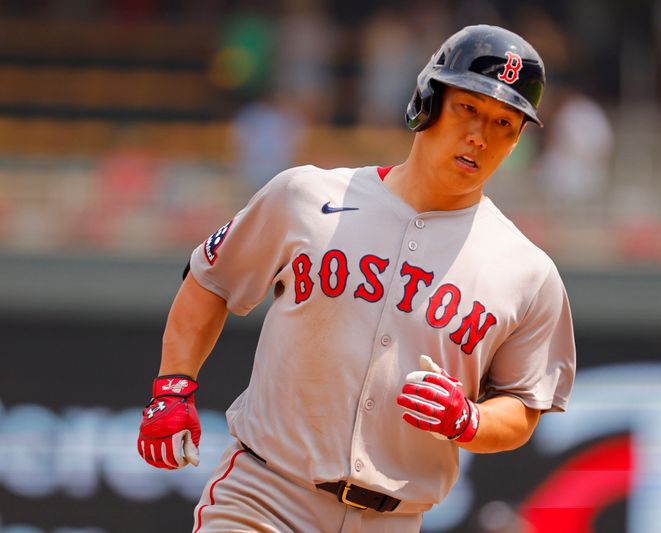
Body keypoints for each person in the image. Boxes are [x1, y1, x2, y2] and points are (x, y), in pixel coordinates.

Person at [137, 24, 576, 533]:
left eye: (504, 122)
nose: (481, 135)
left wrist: (471, 422)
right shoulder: (306, 196)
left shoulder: (527, 271)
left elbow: (523, 407)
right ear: (427, 100)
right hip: (267, 495)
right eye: (468, 108)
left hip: (393, 520)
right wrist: (173, 386)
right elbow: (211, 279)